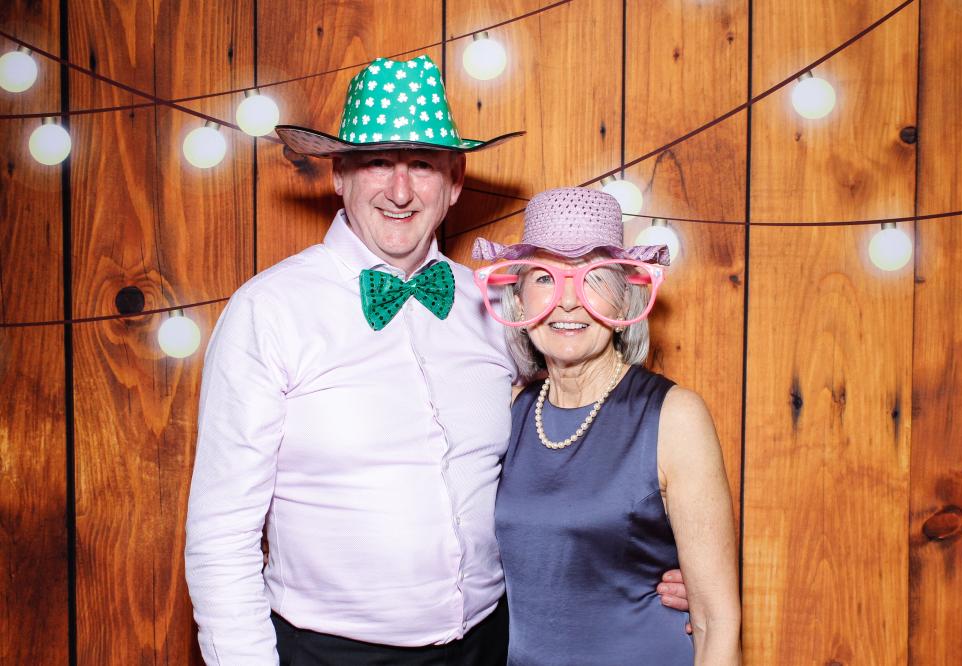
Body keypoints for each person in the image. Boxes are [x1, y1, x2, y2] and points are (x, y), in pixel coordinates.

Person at [184, 56, 689, 665]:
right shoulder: (268, 311)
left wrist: (657, 560)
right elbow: (221, 535)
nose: (400, 191)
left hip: (491, 645)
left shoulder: (499, 307)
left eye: (421, 165)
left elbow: (580, 431)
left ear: (453, 182)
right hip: (329, 653)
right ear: (339, 175)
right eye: (377, 163)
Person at [471, 187, 741, 665]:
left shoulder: (674, 416)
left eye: (593, 278)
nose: (567, 301)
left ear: (623, 303)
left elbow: (716, 621)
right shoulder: (508, 411)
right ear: (519, 300)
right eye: (544, 277)